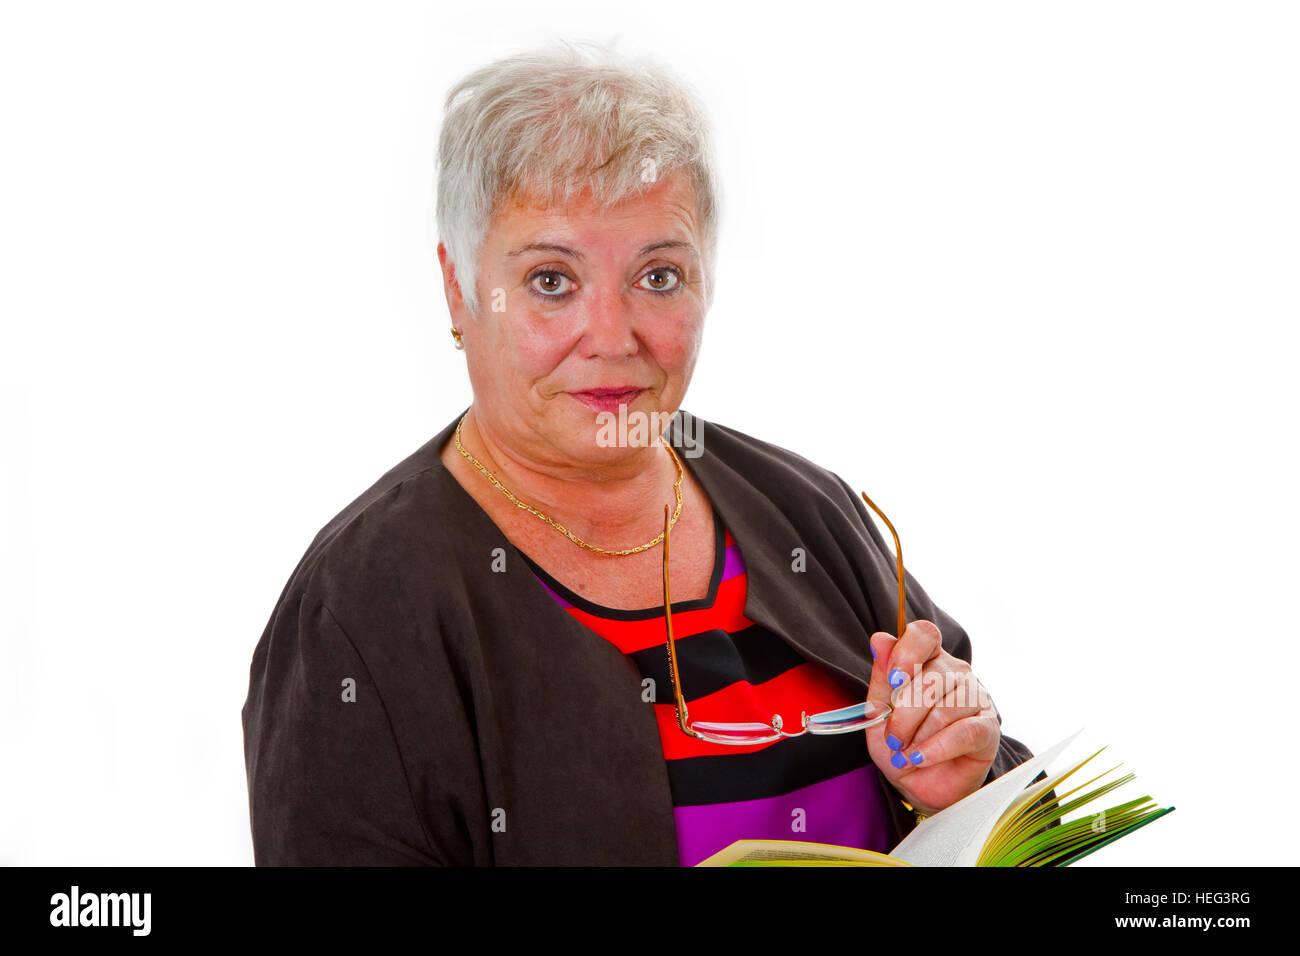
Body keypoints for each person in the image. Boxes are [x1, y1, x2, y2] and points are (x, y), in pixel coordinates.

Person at [241, 41, 1036, 866]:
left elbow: (1003, 807)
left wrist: (954, 786)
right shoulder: (358, 609)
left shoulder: (809, 512)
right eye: (552, 280)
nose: (614, 339)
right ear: (459, 289)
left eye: (659, 276)